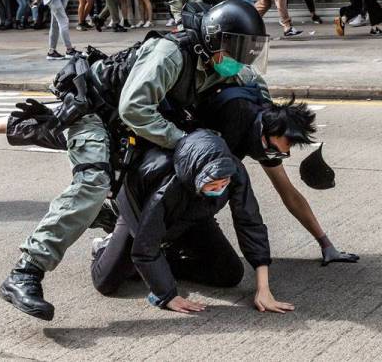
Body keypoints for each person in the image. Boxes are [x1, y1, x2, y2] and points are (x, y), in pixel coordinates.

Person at [0, 0, 273, 321]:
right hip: (97, 110)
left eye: (247, 51)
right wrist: (187, 143)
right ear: (215, 39)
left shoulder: (220, 61)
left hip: (124, 119)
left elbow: (253, 83)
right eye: (236, 49)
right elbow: (134, 110)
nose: (241, 59)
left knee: (56, 130)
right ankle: (26, 272)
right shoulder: (170, 54)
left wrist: (278, 120)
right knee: (93, 179)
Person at [91, 130, 294, 314]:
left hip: (194, 215)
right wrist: (167, 295)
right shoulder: (167, 189)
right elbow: (144, 247)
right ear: (195, 177)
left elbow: (250, 223)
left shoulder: (235, 172)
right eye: (213, 185)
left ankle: (164, 258)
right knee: (106, 282)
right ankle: (106, 244)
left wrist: (263, 288)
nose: (220, 189)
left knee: (229, 273)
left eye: (224, 184)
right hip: (140, 213)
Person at [197, 90, 360, 266]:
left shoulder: (267, 131)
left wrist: (326, 244)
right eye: (273, 149)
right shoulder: (235, 115)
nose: (271, 155)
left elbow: (287, 190)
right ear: (269, 130)